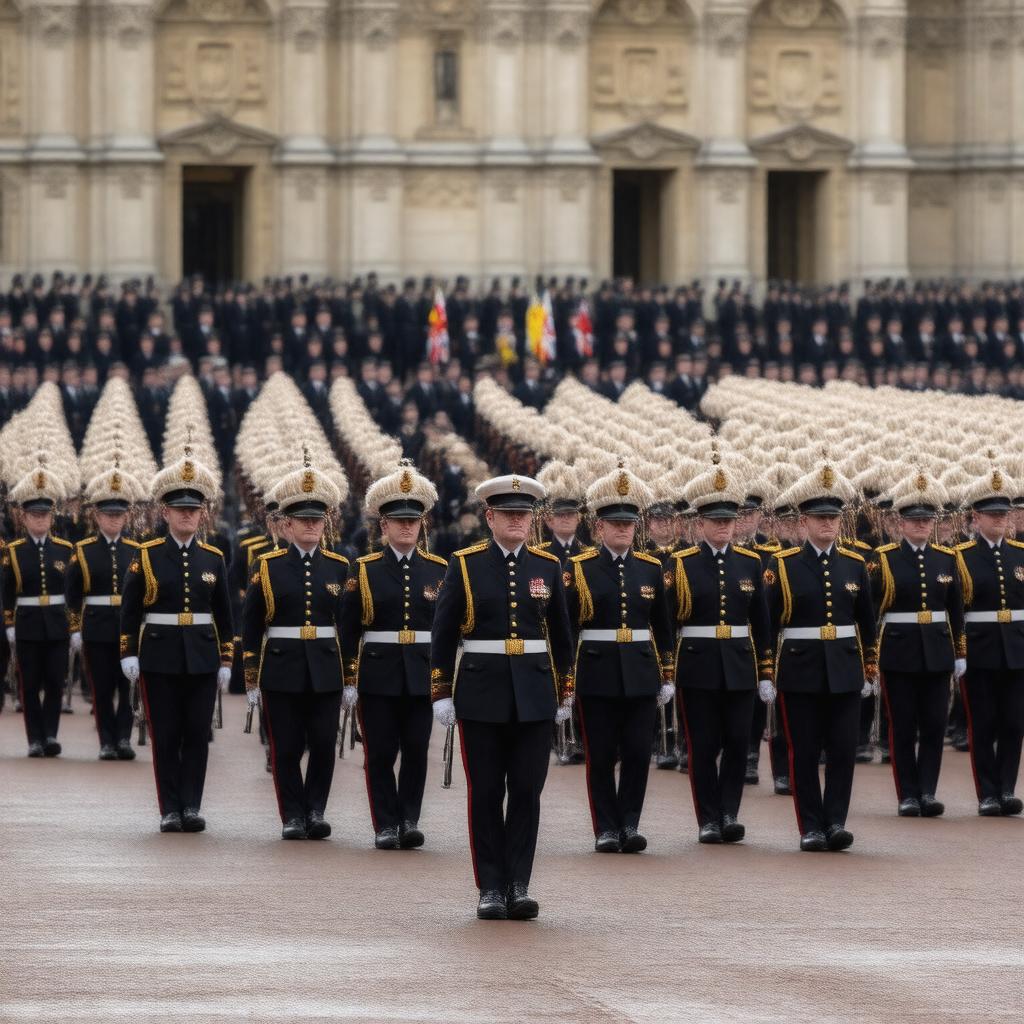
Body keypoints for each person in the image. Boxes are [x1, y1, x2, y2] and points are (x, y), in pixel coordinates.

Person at [430, 474, 574, 921]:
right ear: (489, 517)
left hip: (533, 692)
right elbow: (444, 631)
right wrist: (441, 691)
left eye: (524, 514)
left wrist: (565, 688)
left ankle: (519, 883)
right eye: (508, 513)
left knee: (528, 790)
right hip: (481, 691)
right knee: (487, 792)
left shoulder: (548, 566)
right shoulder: (466, 563)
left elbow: (563, 635)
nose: (517, 520)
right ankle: (490, 886)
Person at [119, 448, 234, 833]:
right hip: (159, 655)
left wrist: (226, 659)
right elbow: (130, 609)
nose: (188, 514)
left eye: (194, 509)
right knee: (166, 734)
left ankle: (192, 806)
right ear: (165, 512)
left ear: (202, 514)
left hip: (201, 656)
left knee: (197, 735)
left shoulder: (214, 558)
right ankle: (170, 807)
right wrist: (128, 652)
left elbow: (224, 612)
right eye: (180, 509)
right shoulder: (146, 556)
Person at [765, 460, 878, 852]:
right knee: (806, 751)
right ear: (804, 522)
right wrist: (767, 670)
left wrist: (869, 666)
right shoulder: (783, 566)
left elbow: (867, 620)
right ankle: (810, 826)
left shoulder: (854, 563)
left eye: (833, 517)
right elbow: (769, 624)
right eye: (820, 517)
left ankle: (836, 822)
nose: (828, 524)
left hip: (845, 668)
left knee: (844, 750)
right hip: (801, 669)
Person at [565, 462, 674, 853]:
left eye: (629, 524)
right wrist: (568, 677)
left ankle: (630, 822)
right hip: (596, 671)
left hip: (642, 672)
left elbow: (663, 625)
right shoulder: (579, 569)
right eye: (615, 524)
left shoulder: (650, 568)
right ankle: (606, 827)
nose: (623, 530)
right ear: (599, 528)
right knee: (601, 754)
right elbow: (568, 627)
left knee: (637, 752)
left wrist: (667, 672)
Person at [339, 461, 446, 849]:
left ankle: (409, 818)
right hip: (378, 675)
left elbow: (446, 631)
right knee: (381, 752)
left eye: (413, 521)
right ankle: (385, 823)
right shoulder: (363, 570)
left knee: (417, 751)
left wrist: (446, 682)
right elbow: (349, 630)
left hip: (420, 674)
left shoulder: (439, 569)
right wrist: (349, 679)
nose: (406, 527)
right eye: (397, 521)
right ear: (383, 526)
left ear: (422, 525)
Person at [241, 455, 348, 840]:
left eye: (317, 520)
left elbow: (348, 626)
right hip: (281, 669)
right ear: (286, 524)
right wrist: (251, 678)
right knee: (285, 747)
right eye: (303, 520)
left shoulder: (339, 566)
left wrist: (350, 675)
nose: (311, 526)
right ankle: (292, 814)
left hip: (325, 668)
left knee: (322, 742)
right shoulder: (267, 567)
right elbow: (251, 626)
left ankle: (315, 809)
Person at [671, 457, 774, 844]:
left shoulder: (750, 563)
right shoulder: (682, 564)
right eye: (716, 522)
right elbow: (670, 620)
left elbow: (762, 623)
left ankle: (729, 812)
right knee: (704, 744)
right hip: (698, 665)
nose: (723, 528)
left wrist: (766, 671)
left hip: (739, 664)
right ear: (701, 524)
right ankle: (708, 818)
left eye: (728, 521)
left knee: (736, 741)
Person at [870, 469, 965, 817]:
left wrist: (960, 652)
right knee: (904, 724)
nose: (923, 526)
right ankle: (907, 793)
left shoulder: (947, 558)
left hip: (938, 652)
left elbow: (955, 611)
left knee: (935, 724)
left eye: (927, 520)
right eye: (916, 520)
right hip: (899, 652)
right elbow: (872, 610)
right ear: (901, 523)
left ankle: (928, 790)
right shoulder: (884, 559)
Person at [954, 466, 1024, 816]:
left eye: (1003, 513)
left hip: (1016, 649)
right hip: (980, 650)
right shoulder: (962, 557)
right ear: (976, 517)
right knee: (983, 723)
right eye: (992, 514)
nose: (999, 519)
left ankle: (1007, 788)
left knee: (1014, 722)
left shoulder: (1020, 554)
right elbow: (957, 608)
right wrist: (959, 650)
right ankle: (987, 793)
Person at [65, 463, 144, 760]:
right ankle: (106, 742)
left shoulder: (137, 549)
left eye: (119, 514)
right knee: (101, 687)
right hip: (96, 628)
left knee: (128, 686)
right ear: (96, 515)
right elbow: (72, 595)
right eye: (108, 514)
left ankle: (123, 738)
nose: (114, 519)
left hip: (127, 628)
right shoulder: (82, 550)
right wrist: (74, 629)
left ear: (126, 516)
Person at [2, 463, 74, 757]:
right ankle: (35, 738)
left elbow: (71, 592)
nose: (40, 520)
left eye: (44, 515)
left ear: (51, 517)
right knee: (29, 684)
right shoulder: (13, 551)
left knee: (56, 681)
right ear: (24, 517)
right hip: (28, 623)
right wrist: (8, 623)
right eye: (35, 515)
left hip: (57, 623)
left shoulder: (65, 549)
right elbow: (6, 591)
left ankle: (51, 735)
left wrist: (74, 625)